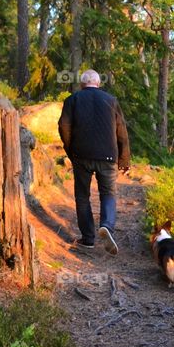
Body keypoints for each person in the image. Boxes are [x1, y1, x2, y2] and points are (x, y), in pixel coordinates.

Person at [58, 69, 131, 255]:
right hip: (108, 156)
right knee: (108, 193)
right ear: (98, 83)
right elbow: (121, 131)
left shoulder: (72, 100)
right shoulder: (111, 100)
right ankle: (107, 226)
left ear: (82, 84)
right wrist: (124, 159)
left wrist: (71, 150)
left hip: (81, 156)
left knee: (82, 197)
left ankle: (88, 239)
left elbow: (64, 126)